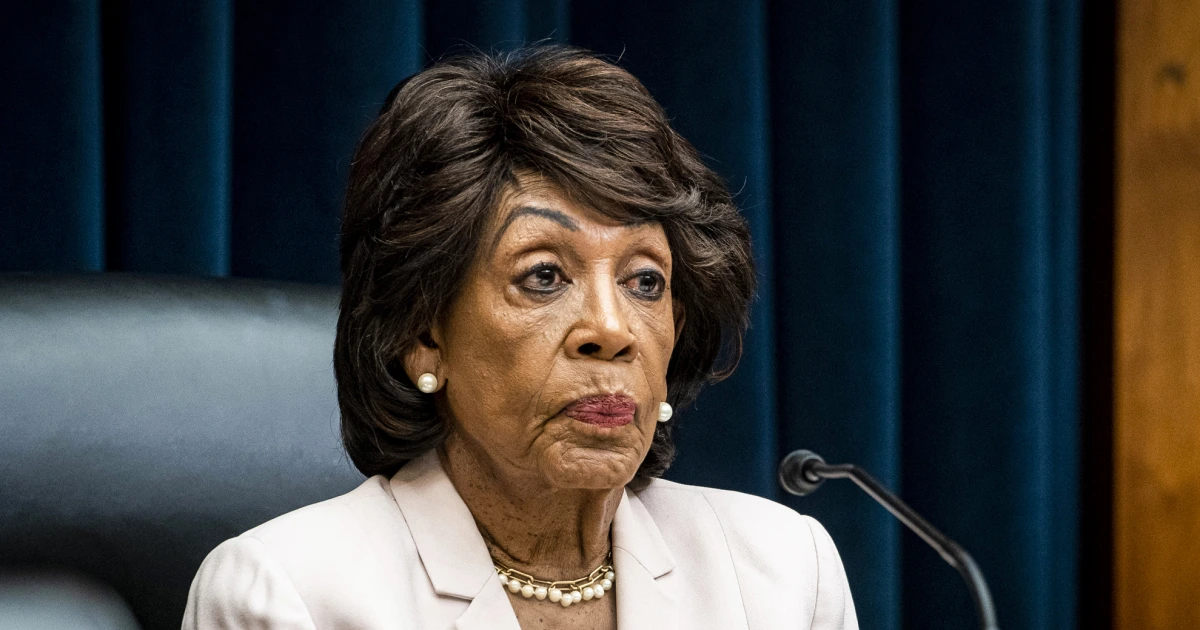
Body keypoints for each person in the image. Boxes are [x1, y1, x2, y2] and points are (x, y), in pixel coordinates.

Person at [183, 44, 857, 630]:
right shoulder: (288, 593)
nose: (611, 329)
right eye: (544, 276)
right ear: (423, 336)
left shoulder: (783, 573)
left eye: (645, 281)